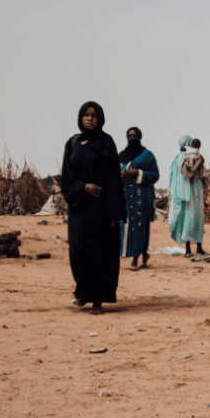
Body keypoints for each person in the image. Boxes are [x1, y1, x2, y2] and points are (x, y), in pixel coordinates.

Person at [60, 101, 125, 315]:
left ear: (100, 119)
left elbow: (114, 178)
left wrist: (114, 211)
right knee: (78, 251)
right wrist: (82, 187)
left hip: (100, 208)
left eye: (94, 115)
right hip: (79, 207)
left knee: (100, 252)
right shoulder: (73, 143)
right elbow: (67, 177)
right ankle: (82, 292)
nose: (89, 118)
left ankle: (97, 299)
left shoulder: (106, 142)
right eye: (86, 115)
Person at [118, 126, 159, 270]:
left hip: (142, 197)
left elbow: (155, 175)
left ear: (140, 137)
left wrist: (138, 173)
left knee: (140, 226)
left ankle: (136, 258)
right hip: (125, 197)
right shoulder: (121, 155)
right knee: (126, 226)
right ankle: (142, 254)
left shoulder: (147, 155)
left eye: (135, 136)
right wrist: (121, 175)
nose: (132, 138)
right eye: (129, 136)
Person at [168, 135, 206, 257]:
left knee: (189, 219)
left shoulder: (178, 158)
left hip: (187, 190)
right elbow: (201, 173)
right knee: (196, 218)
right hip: (195, 189)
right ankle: (196, 248)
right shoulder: (196, 157)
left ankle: (190, 249)